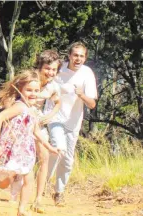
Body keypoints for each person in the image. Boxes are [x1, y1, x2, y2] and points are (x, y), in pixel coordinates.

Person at [0, 70, 58, 216]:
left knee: (29, 180)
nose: (33, 93)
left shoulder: (32, 110)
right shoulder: (19, 106)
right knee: (4, 184)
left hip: (26, 153)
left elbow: (36, 131)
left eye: (36, 90)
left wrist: (49, 147)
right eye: (29, 90)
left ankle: (21, 210)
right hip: (12, 150)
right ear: (20, 90)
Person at [47, 42, 97, 206]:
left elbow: (92, 104)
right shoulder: (58, 69)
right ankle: (42, 185)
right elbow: (43, 81)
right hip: (54, 117)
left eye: (82, 56)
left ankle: (59, 192)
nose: (78, 59)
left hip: (73, 122)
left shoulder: (87, 73)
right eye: (75, 55)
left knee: (67, 160)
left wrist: (81, 94)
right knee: (57, 148)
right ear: (69, 56)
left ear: (85, 58)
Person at [30, 50, 64, 213]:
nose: (50, 73)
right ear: (40, 67)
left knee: (44, 158)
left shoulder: (53, 86)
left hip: (38, 122)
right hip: (21, 122)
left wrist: (48, 116)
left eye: (54, 70)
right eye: (47, 69)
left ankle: (38, 199)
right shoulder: (29, 78)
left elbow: (58, 103)